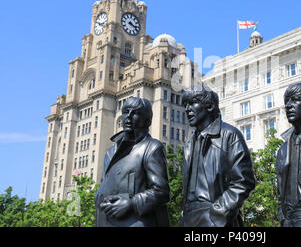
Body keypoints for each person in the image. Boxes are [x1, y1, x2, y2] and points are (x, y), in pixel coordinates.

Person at [180, 86, 255, 227]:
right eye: (185, 105)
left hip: (215, 218)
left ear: (209, 105)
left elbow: (244, 181)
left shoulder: (229, 135)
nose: (187, 109)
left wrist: (219, 212)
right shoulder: (189, 143)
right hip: (189, 218)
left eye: (192, 103)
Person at [95, 97, 170, 227]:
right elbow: (103, 186)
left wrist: (132, 203)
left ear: (147, 120)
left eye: (135, 113)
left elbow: (161, 191)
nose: (128, 116)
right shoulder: (110, 152)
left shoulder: (152, 147)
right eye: (125, 111)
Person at [276, 82, 301, 227]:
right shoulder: (283, 149)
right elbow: (280, 190)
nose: (288, 105)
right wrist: (282, 216)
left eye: (295, 99)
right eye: (287, 101)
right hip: (289, 219)